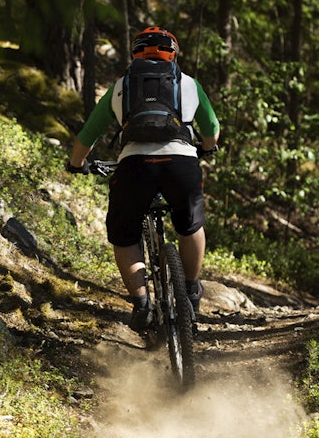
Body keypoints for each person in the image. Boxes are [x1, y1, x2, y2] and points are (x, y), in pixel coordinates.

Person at [65, 26, 220, 334]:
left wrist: (76, 165)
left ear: (135, 53)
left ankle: (142, 305)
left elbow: (88, 135)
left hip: (135, 166)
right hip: (181, 164)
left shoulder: (121, 86)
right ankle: (190, 290)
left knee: (124, 236)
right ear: (173, 54)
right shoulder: (189, 84)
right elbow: (212, 127)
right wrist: (206, 147)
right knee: (190, 226)